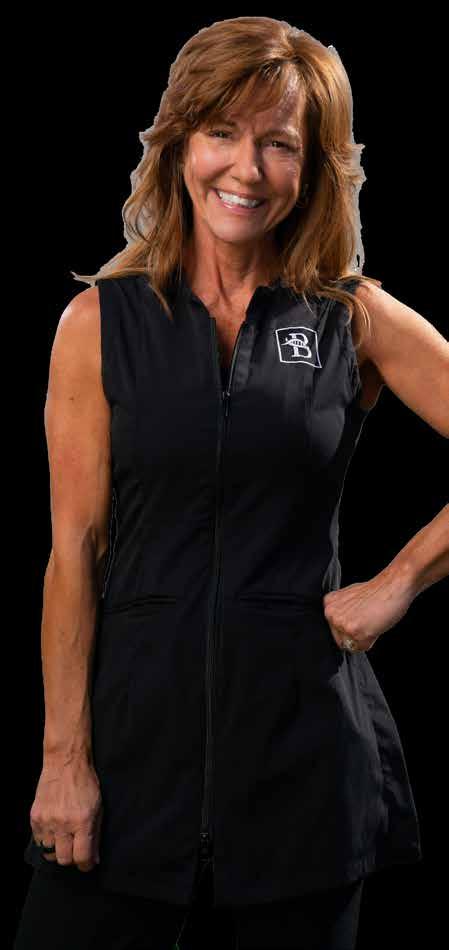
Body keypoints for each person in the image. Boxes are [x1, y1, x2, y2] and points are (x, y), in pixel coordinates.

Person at [15, 15, 449, 950]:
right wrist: (64, 759)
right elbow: (73, 554)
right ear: (178, 145)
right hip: (128, 760)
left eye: (279, 144)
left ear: (313, 168)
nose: (245, 169)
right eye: (221, 132)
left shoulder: (351, 318)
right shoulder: (98, 324)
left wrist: (399, 581)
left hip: (306, 766)